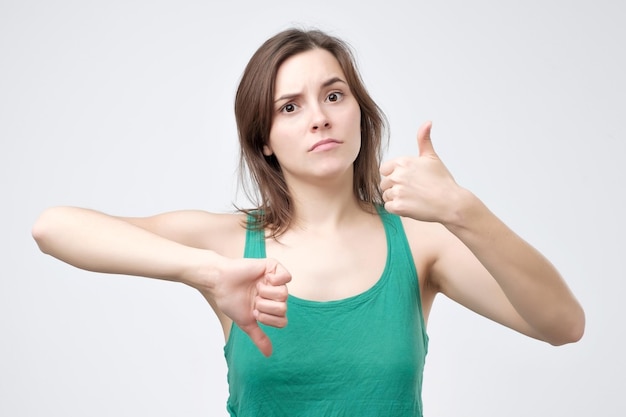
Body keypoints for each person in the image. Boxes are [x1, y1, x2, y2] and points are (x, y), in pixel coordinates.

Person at [32, 28, 585, 416]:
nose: (319, 116)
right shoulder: (227, 244)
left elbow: (563, 325)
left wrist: (465, 210)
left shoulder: (420, 244)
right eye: (289, 107)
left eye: (334, 95)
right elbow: (54, 227)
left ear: (360, 115)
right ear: (264, 141)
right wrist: (203, 272)